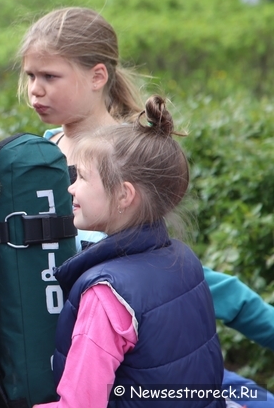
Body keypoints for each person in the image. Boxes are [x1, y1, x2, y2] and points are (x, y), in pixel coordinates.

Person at [14, 7, 274, 405]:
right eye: (31, 76)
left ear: (98, 76)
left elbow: (180, 284)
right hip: (55, 354)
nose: (35, 89)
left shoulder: (128, 154)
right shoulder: (42, 150)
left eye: (50, 76)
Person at [33, 95, 225, 407]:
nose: (71, 188)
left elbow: (79, 403)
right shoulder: (184, 260)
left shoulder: (106, 294)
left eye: (81, 176)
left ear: (123, 195)